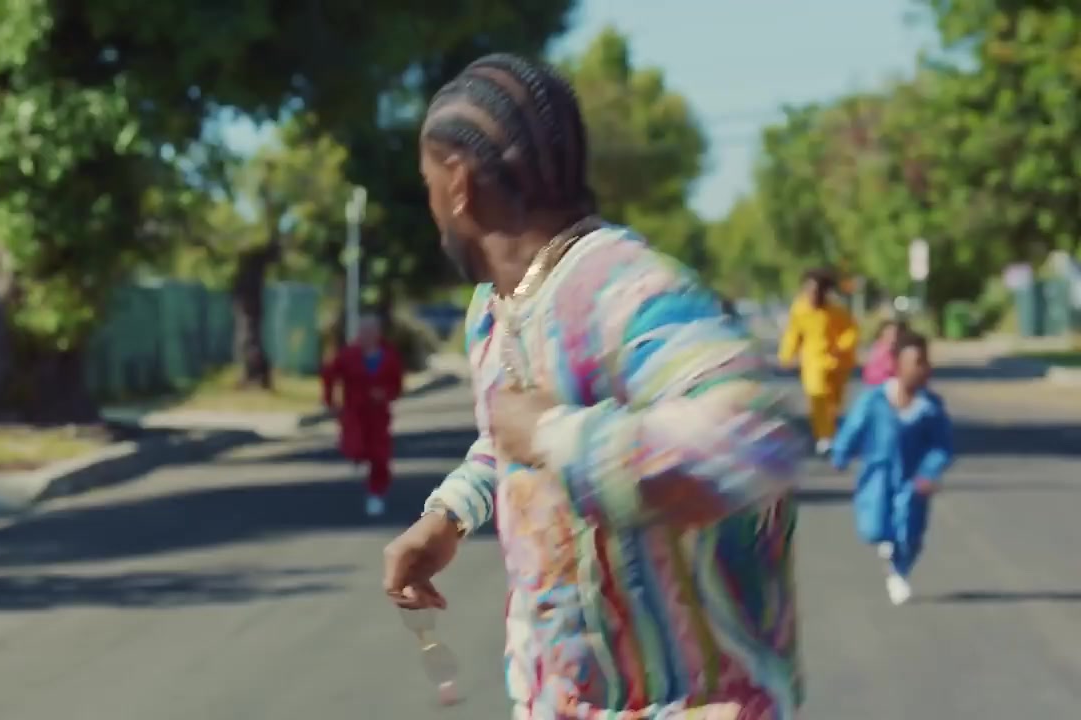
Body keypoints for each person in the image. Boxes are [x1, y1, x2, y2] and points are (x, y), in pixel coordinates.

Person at [381, 53, 806, 719]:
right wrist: (449, 518)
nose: (432, 208)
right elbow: (508, 440)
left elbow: (751, 439)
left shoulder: (625, 292)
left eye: (427, 182)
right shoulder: (495, 311)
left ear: (457, 182)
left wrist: (556, 434)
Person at [831, 330, 953, 605]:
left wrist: (929, 472)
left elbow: (941, 445)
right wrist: (841, 453)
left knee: (910, 531)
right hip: (878, 475)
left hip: (914, 479)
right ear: (898, 365)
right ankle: (888, 549)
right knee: (874, 527)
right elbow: (853, 428)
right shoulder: (874, 400)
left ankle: (899, 571)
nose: (923, 369)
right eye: (916, 362)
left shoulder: (930, 407)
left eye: (925, 362)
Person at [321, 314, 404, 517]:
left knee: (380, 456)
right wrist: (330, 402)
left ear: (378, 333)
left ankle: (376, 493)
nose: (367, 335)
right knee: (355, 445)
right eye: (363, 331)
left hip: (379, 414)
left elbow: (397, 384)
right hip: (354, 412)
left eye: (371, 331)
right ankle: (358, 459)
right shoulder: (348, 355)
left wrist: (385, 394)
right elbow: (329, 374)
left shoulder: (389, 355)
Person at [778, 269, 859, 456]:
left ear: (824, 292)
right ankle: (824, 437)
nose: (812, 295)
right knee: (817, 396)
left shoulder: (837, 311)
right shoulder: (799, 310)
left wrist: (842, 346)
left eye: (816, 291)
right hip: (813, 362)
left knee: (833, 403)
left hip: (838, 363)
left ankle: (831, 431)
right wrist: (786, 355)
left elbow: (851, 331)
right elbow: (793, 334)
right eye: (808, 290)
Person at [861, 318, 906, 386]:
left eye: (895, 333)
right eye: (890, 333)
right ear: (882, 334)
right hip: (880, 385)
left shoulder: (878, 347)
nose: (893, 336)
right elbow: (891, 368)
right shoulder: (884, 349)